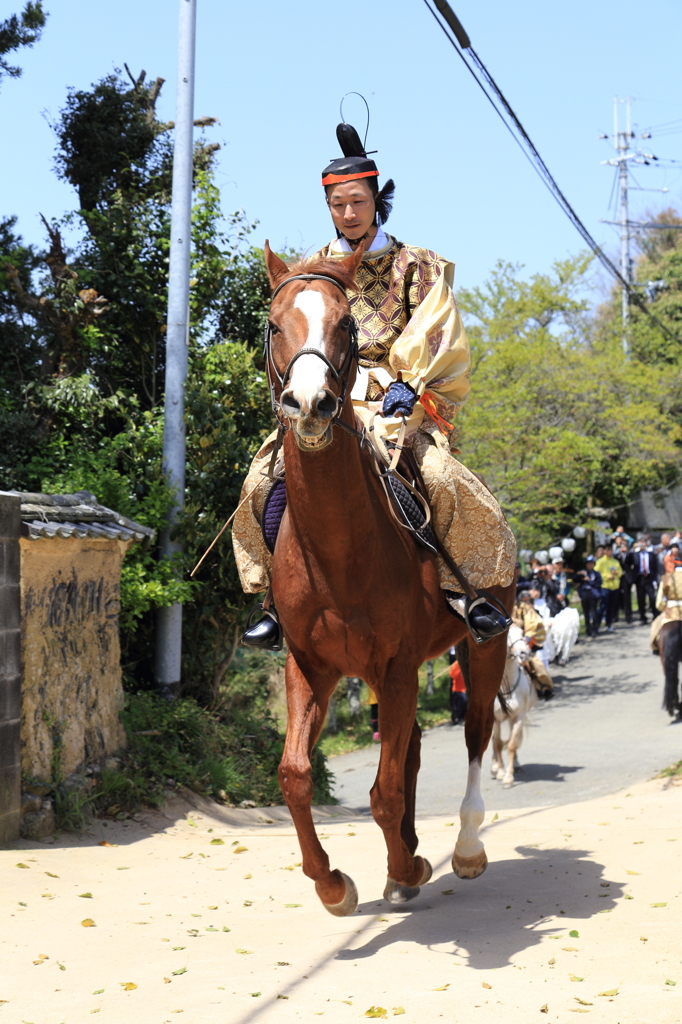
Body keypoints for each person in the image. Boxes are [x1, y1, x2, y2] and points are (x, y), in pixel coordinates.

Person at [235, 118, 516, 649]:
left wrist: (411, 383)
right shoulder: (311, 272)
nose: (348, 213)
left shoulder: (419, 266)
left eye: (357, 201)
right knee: (259, 482)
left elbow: (440, 335)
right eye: (338, 204)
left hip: (398, 400)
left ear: (376, 200)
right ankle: (274, 600)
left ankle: (464, 591)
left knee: (443, 479)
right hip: (329, 395)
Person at [650, 549, 682, 654]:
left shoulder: (667, 579)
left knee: (656, 626)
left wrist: (664, 607)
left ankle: (655, 647)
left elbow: (659, 602)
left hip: (671, 613)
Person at [594, 543, 622, 633]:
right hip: (605, 587)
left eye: (611, 550)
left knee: (611, 607)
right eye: (608, 550)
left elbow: (620, 572)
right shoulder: (600, 562)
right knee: (603, 606)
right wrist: (607, 576)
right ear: (605, 551)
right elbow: (597, 573)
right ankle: (597, 625)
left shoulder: (615, 561)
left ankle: (608, 624)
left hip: (614, 587)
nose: (610, 551)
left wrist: (616, 573)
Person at [575, 556, 603, 639]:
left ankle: (595, 629)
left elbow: (598, 583)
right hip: (584, 594)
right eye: (588, 563)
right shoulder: (583, 573)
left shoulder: (596, 574)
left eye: (591, 563)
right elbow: (575, 580)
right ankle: (588, 629)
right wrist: (578, 575)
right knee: (586, 613)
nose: (589, 565)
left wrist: (589, 581)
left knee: (594, 612)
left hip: (593, 594)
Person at [632, 538, 658, 625]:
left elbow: (655, 567)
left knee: (652, 597)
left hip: (649, 578)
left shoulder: (651, 555)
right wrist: (633, 548)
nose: (642, 545)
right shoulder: (634, 554)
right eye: (640, 543)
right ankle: (643, 617)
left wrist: (654, 578)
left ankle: (655, 615)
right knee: (640, 599)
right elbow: (627, 562)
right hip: (639, 579)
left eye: (643, 543)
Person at [614, 536, 635, 625]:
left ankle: (628, 616)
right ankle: (615, 616)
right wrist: (619, 553)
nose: (623, 547)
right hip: (618, 577)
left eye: (625, 545)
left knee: (627, 597)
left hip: (627, 577)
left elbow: (633, 563)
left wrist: (627, 553)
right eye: (622, 545)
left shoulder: (630, 555)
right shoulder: (616, 555)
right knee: (617, 597)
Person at [449, 655, 468, 725]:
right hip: (457, 689)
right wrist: (460, 668)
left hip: (465, 689)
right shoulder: (456, 665)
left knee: (465, 702)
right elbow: (452, 675)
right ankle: (457, 718)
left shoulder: (467, 663)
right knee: (459, 703)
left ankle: (462, 717)